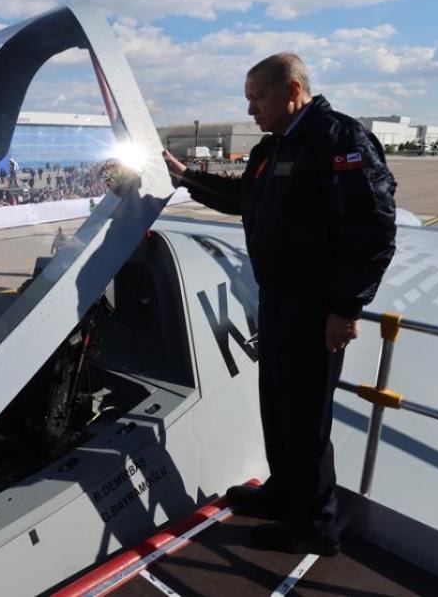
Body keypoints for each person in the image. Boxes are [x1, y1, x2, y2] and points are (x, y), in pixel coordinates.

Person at [164, 52, 396, 556]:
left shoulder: (339, 139)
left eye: (258, 98)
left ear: (292, 91)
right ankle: (285, 493)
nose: (251, 110)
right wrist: (184, 177)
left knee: (306, 417)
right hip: (278, 302)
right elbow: (242, 198)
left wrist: (346, 308)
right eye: (248, 100)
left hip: (316, 309)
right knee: (278, 406)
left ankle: (316, 524)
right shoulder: (273, 148)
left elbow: (373, 227)